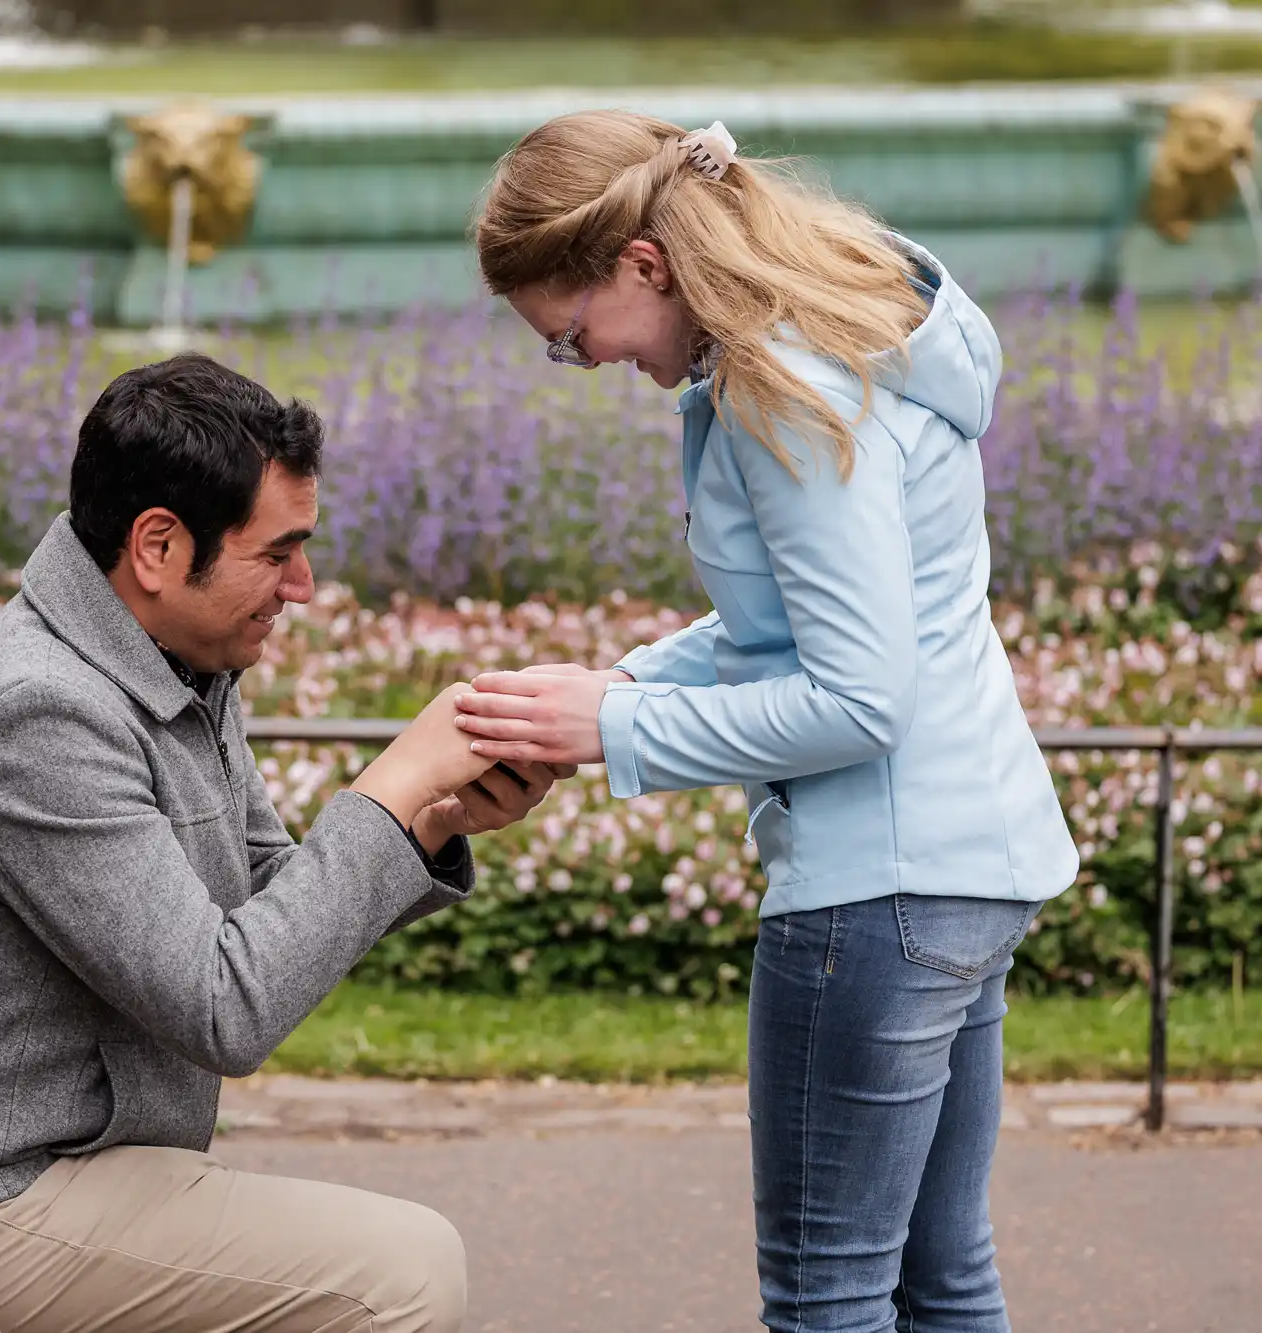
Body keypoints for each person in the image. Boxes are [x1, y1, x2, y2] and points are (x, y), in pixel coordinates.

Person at [455, 112, 1079, 1332]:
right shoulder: (858, 331)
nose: (581, 365)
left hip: (873, 900)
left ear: (641, 264)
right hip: (971, 867)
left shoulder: (773, 389)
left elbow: (855, 696)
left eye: (570, 337)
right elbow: (826, 632)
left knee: (825, 1297)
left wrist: (614, 731)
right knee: (940, 1278)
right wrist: (616, 689)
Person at [0, 353, 570, 1333]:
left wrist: (429, 820)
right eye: (276, 553)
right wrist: (388, 786)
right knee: (403, 1273)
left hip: (81, 1170)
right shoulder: (34, 712)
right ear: (159, 548)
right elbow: (225, 1008)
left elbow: (264, 896)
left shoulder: (178, 664)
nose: (301, 585)